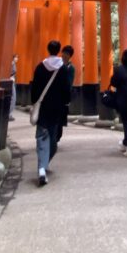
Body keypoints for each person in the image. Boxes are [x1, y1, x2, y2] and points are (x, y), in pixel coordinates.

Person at [30, 40, 71, 187]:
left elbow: (34, 87)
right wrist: (67, 101)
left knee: (42, 136)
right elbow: (67, 89)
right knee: (53, 137)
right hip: (57, 107)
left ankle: (42, 167)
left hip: (43, 106)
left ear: (48, 50)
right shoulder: (64, 69)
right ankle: (44, 164)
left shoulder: (40, 67)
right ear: (59, 50)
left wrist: (34, 101)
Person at [56, 45, 76, 143]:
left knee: (60, 119)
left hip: (63, 96)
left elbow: (69, 83)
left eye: (67, 54)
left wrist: (68, 98)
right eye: (64, 53)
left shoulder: (71, 68)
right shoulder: (56, 64)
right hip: (54, 95)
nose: (64, 55)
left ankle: (57, 137)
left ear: (70, 56)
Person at [8, 54, 17, 121]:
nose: (17, 58)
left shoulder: (13, 64)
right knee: (13, 97)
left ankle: (9, 113)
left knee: (12, 97)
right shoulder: (12, 64)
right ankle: (9, 114)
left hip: (12, 81)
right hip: (11, 81)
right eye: (16, 57)